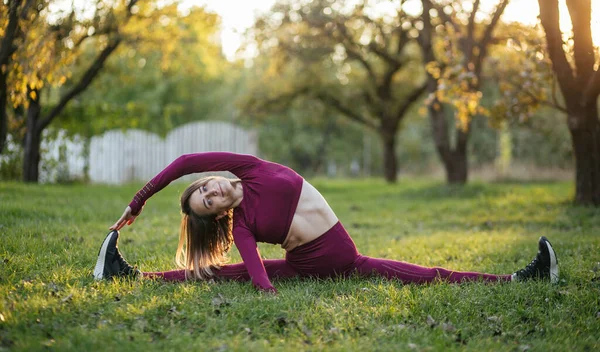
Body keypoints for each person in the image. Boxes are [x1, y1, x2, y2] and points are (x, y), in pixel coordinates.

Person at [93, 152, 559, 291]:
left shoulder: (248, 167)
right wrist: (267, 291)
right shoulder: (242, 225)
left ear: (211, 178)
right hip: (328, 263)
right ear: (216, 215)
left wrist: (138, 201)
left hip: (332, 260)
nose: (211, 196)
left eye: (204, 190)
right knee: (224, 271)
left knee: (433, 274)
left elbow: (183, 161)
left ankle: (519, 277)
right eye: (207, 206)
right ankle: (128, 274)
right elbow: (254, 268)